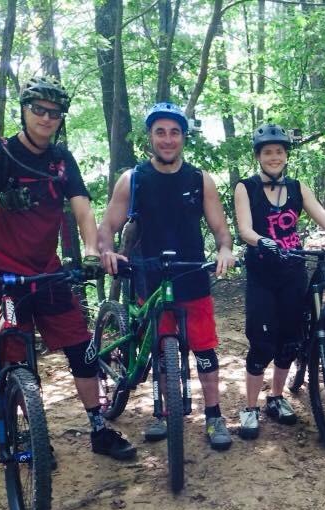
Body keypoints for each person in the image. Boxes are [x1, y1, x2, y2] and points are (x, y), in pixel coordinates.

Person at [0, 76, 136, 461]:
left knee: (81, 347)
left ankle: (98, 427)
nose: (47, 118)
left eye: (54, 113)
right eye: (39, 110)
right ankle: (21, 431)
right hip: (0, 271)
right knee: (11, 352)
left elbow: (82, 207)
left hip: (46, 270)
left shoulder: (62, 160)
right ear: (24, 111)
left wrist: (89, 251)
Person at [98, 102, 237, 451]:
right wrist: (107, 250)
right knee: (162, 351)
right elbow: (108, 226)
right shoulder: (133, 179)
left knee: (205, 351)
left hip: (192, 276)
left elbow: (222, 230)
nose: (168, 139)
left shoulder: (199, 179)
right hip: (149, 277)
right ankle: (162, 412)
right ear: (150, 137)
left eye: (174, 132)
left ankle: (214, 415)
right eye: (160, 132)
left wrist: (224, 250)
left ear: (184, 138)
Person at [234, 123, 325, 439]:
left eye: (279, 152)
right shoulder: (245, 188)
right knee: (262, 343)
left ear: (286, 155)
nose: (274, 157)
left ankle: (275, 398)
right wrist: (262, 240)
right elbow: (245, 230)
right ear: (258, 156)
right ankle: (250, 407)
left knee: (290, 339)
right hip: (262, 274)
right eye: (267, 152)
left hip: (293, 271)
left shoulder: (298, 188)